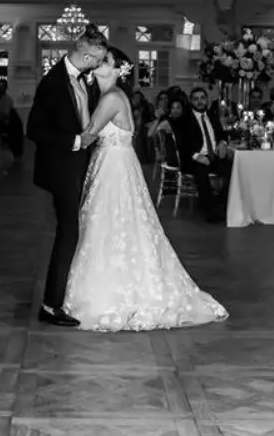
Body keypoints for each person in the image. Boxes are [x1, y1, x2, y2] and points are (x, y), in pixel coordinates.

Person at [63, 47, 228, 331]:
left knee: (110, 225)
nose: (97, 64)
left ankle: (110, 294)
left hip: (114, 167)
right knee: (114, 226)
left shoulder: (112, 97)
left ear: (117, 70)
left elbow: (88, 135)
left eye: (105, 61)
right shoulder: (109, 96)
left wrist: (61, 140)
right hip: (113, 163)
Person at [26, 24, 108, 328]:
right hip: (62, 166)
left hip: (80, 164)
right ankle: (51, 305)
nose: (96, 65)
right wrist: (75, 141)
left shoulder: (83, 79)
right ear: (86, 54)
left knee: (74, 230)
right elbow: (33, 129)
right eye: (96, 59)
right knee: (68, 232)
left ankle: (63, 296)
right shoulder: (52, 83)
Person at [170, 87, 230, 223]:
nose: (199, 101)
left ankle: (226, 207)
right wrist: (197, 156)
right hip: (194, 159)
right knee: (201, 173)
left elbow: (221, 134)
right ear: (191, 101)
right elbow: (181, 144)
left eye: (202, 98)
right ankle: (212, 213)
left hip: (214, 155)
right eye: (196, 99)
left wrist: (222, 143)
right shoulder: (185, 119)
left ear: (206, 100)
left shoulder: (212, 115)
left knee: (231, 169)